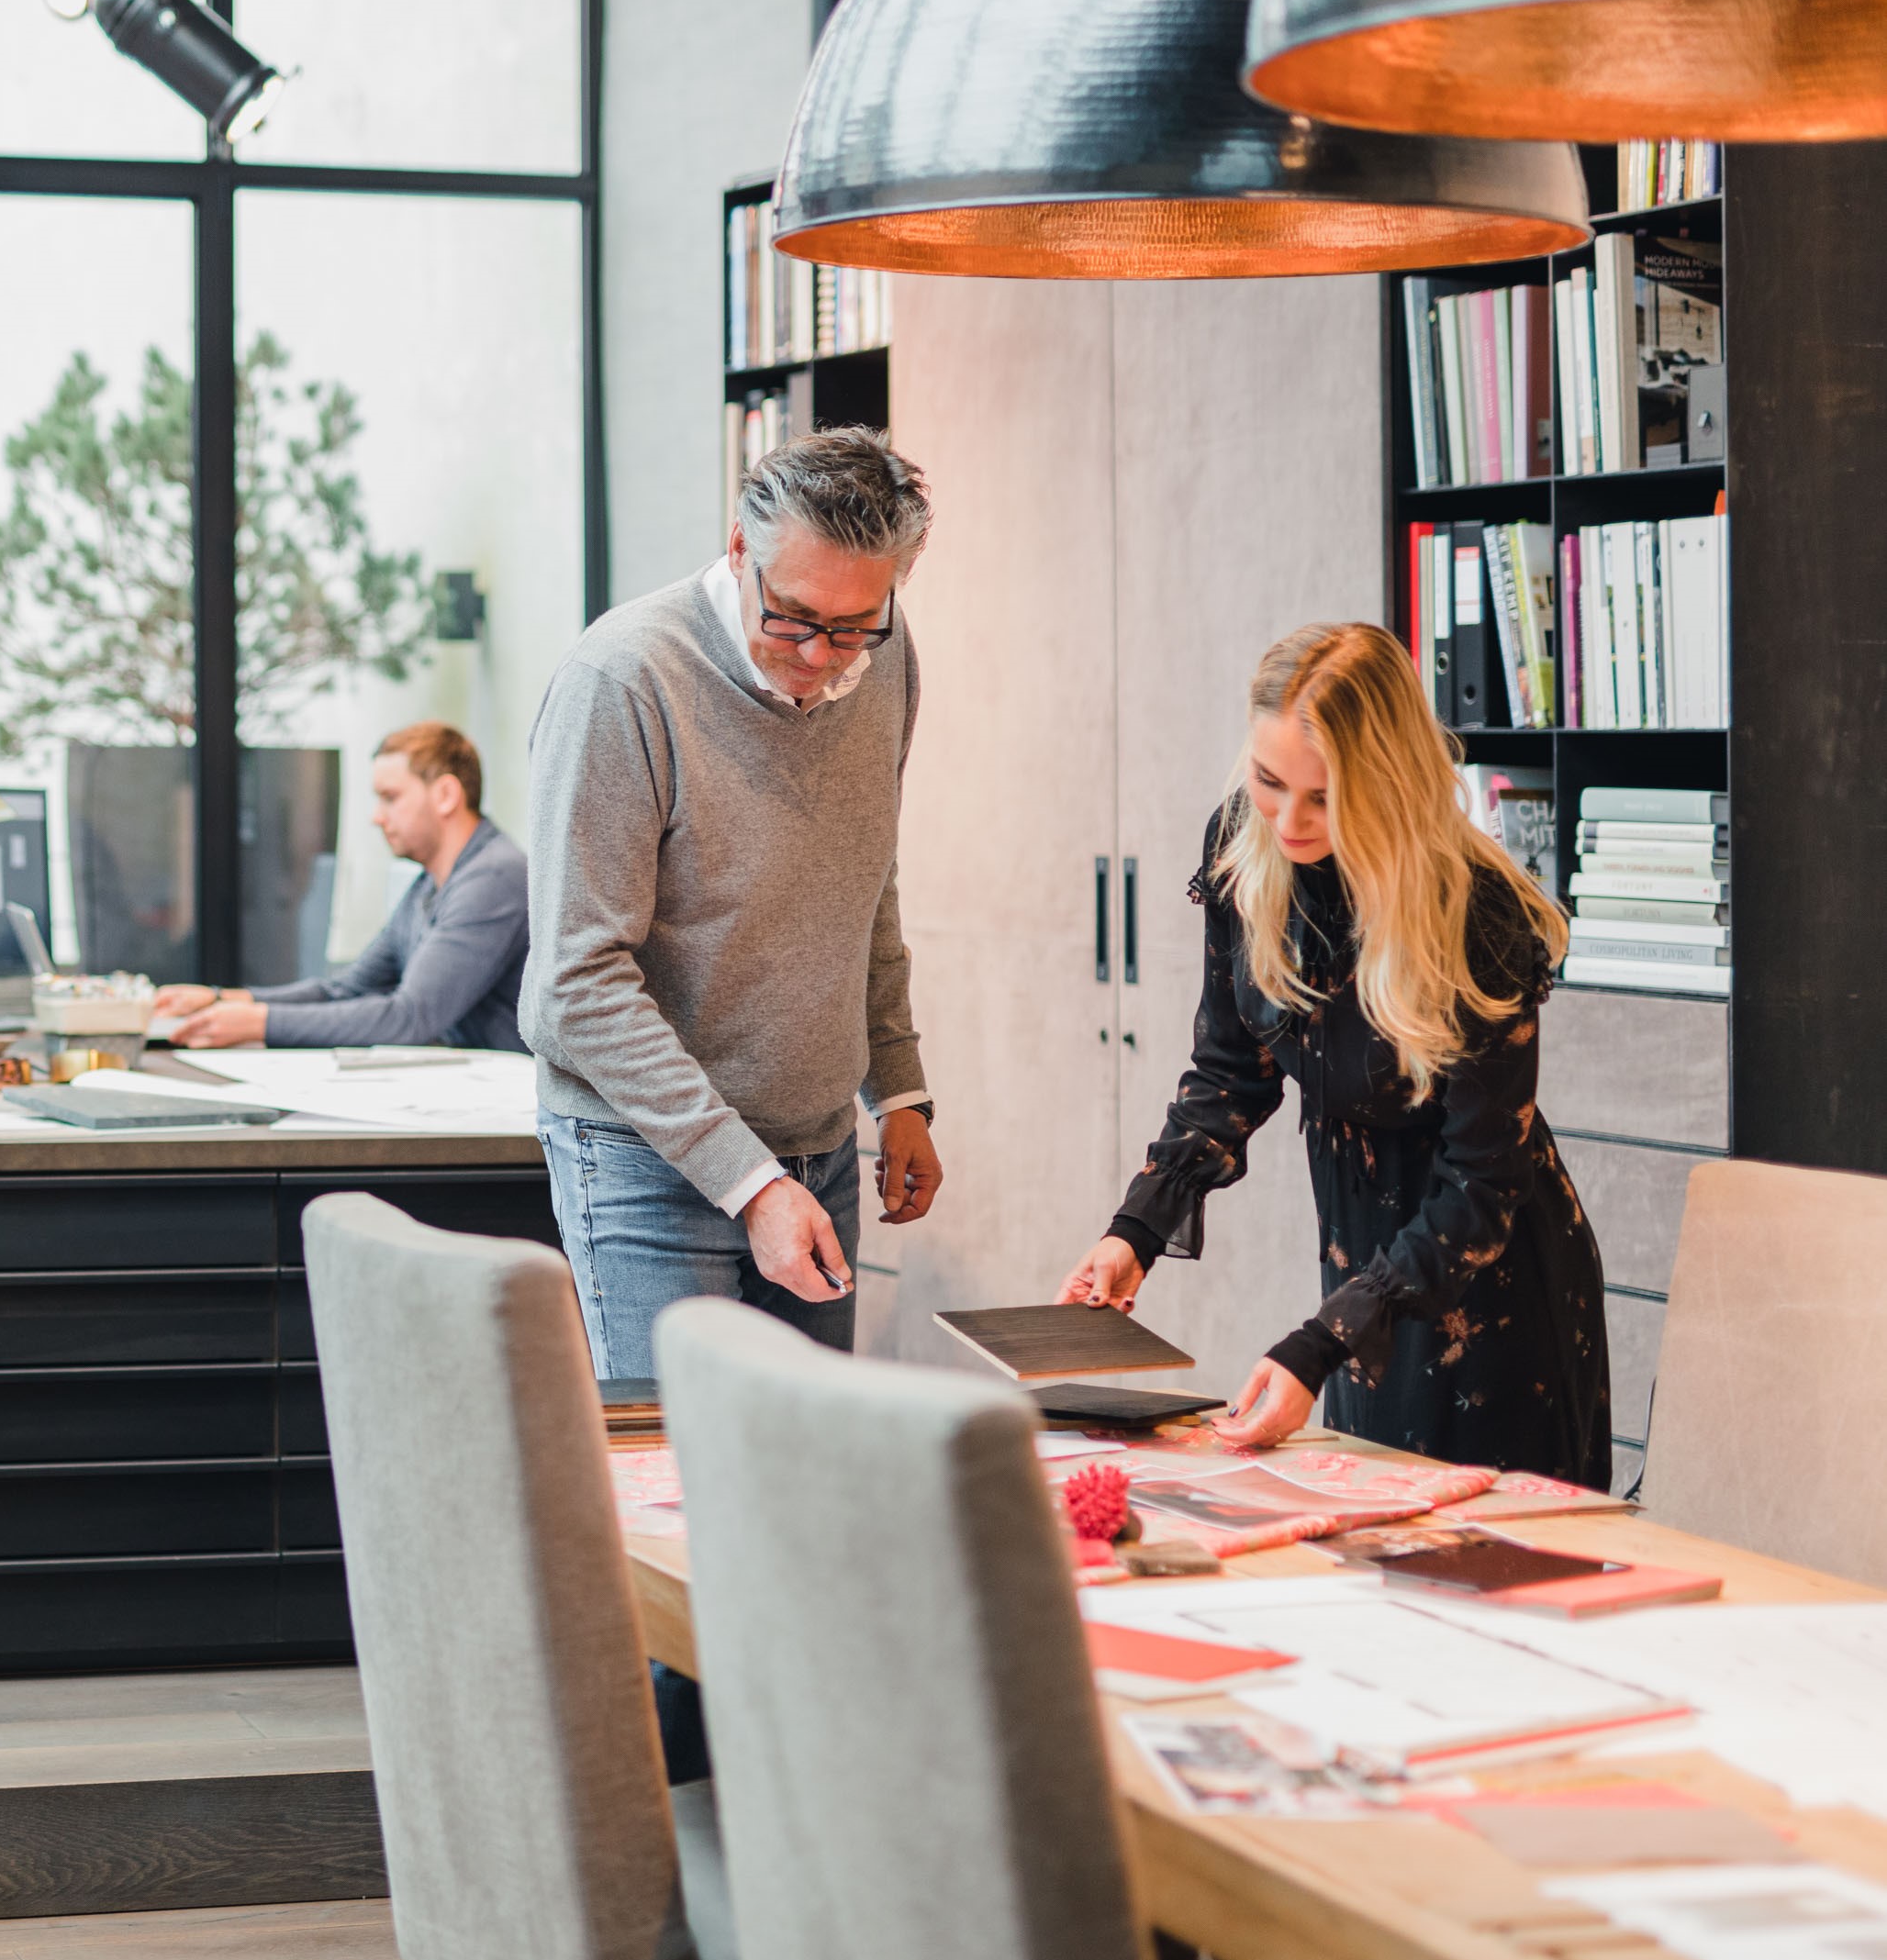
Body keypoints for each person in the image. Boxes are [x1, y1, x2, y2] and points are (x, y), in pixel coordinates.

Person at [1059, 622, 1610, 1485]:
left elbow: (1481, 1186)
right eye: (1269, 781)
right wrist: (1137, 1230)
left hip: (1489, 1290)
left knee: (1474, 1550)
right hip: (1359, 1271)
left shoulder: (1475, 916)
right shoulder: (1245, 850)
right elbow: (1231, 1070)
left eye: (1325, 797)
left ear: (1389, 783)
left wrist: (1321, 1343)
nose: (1289, 820)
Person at [521, 428, 945, 1382]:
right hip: (645, 1159)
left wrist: (898, 1089)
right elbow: (575, 984)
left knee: (798, 1457)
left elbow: (863, 877)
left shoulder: (883, 660)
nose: (819, 655)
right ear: (739, 546)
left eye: (853, 625)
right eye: (792, 617)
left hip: (820, 1146)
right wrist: (748, 1181)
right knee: (681, 1459)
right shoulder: (622, 681)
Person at [156, 721, 529, 1052]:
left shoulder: (494, 878)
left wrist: (257, 1023)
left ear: (446, 795)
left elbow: (410, 1017)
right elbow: (346, 990)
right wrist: (223, 1001)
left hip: (506, 1097)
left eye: (390, 797)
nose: (377, 817)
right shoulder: (428, 886)